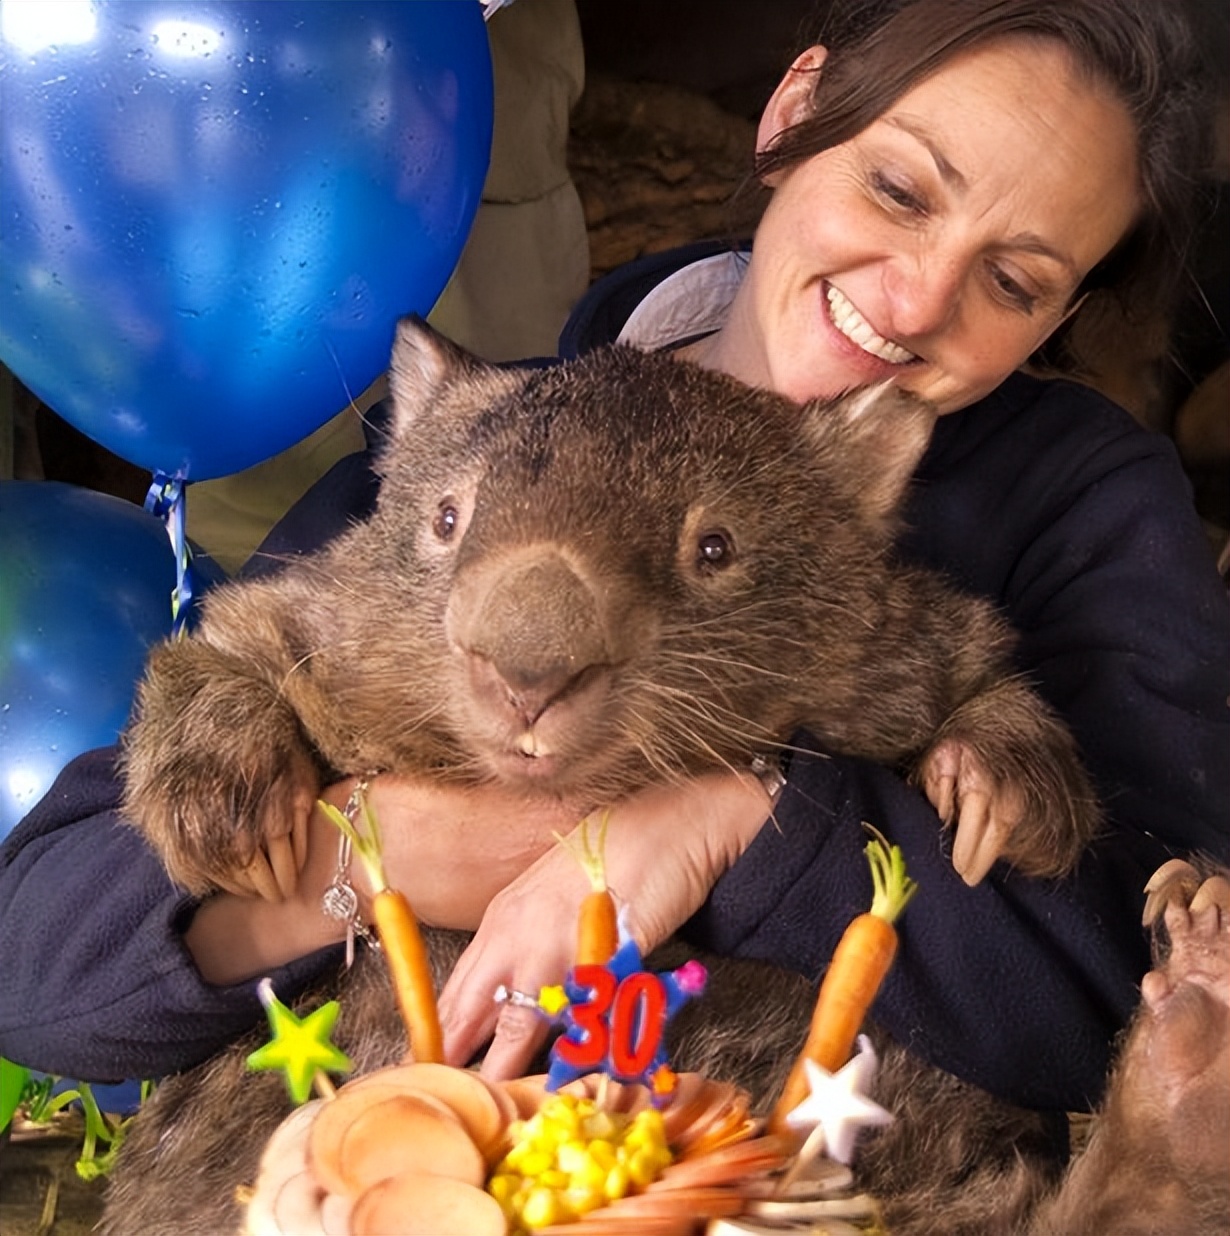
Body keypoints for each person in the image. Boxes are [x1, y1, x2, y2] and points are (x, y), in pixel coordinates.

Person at [3, 0, 1228, 1140]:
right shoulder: (479, 445)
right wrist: (383, 853)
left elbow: (1158, 984)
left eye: (1014, 281)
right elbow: (39, 973)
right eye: (899, 189)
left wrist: (736, 826)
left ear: (1062, 316)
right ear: (793, 116)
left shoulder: (1079, 501)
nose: (915, 301)